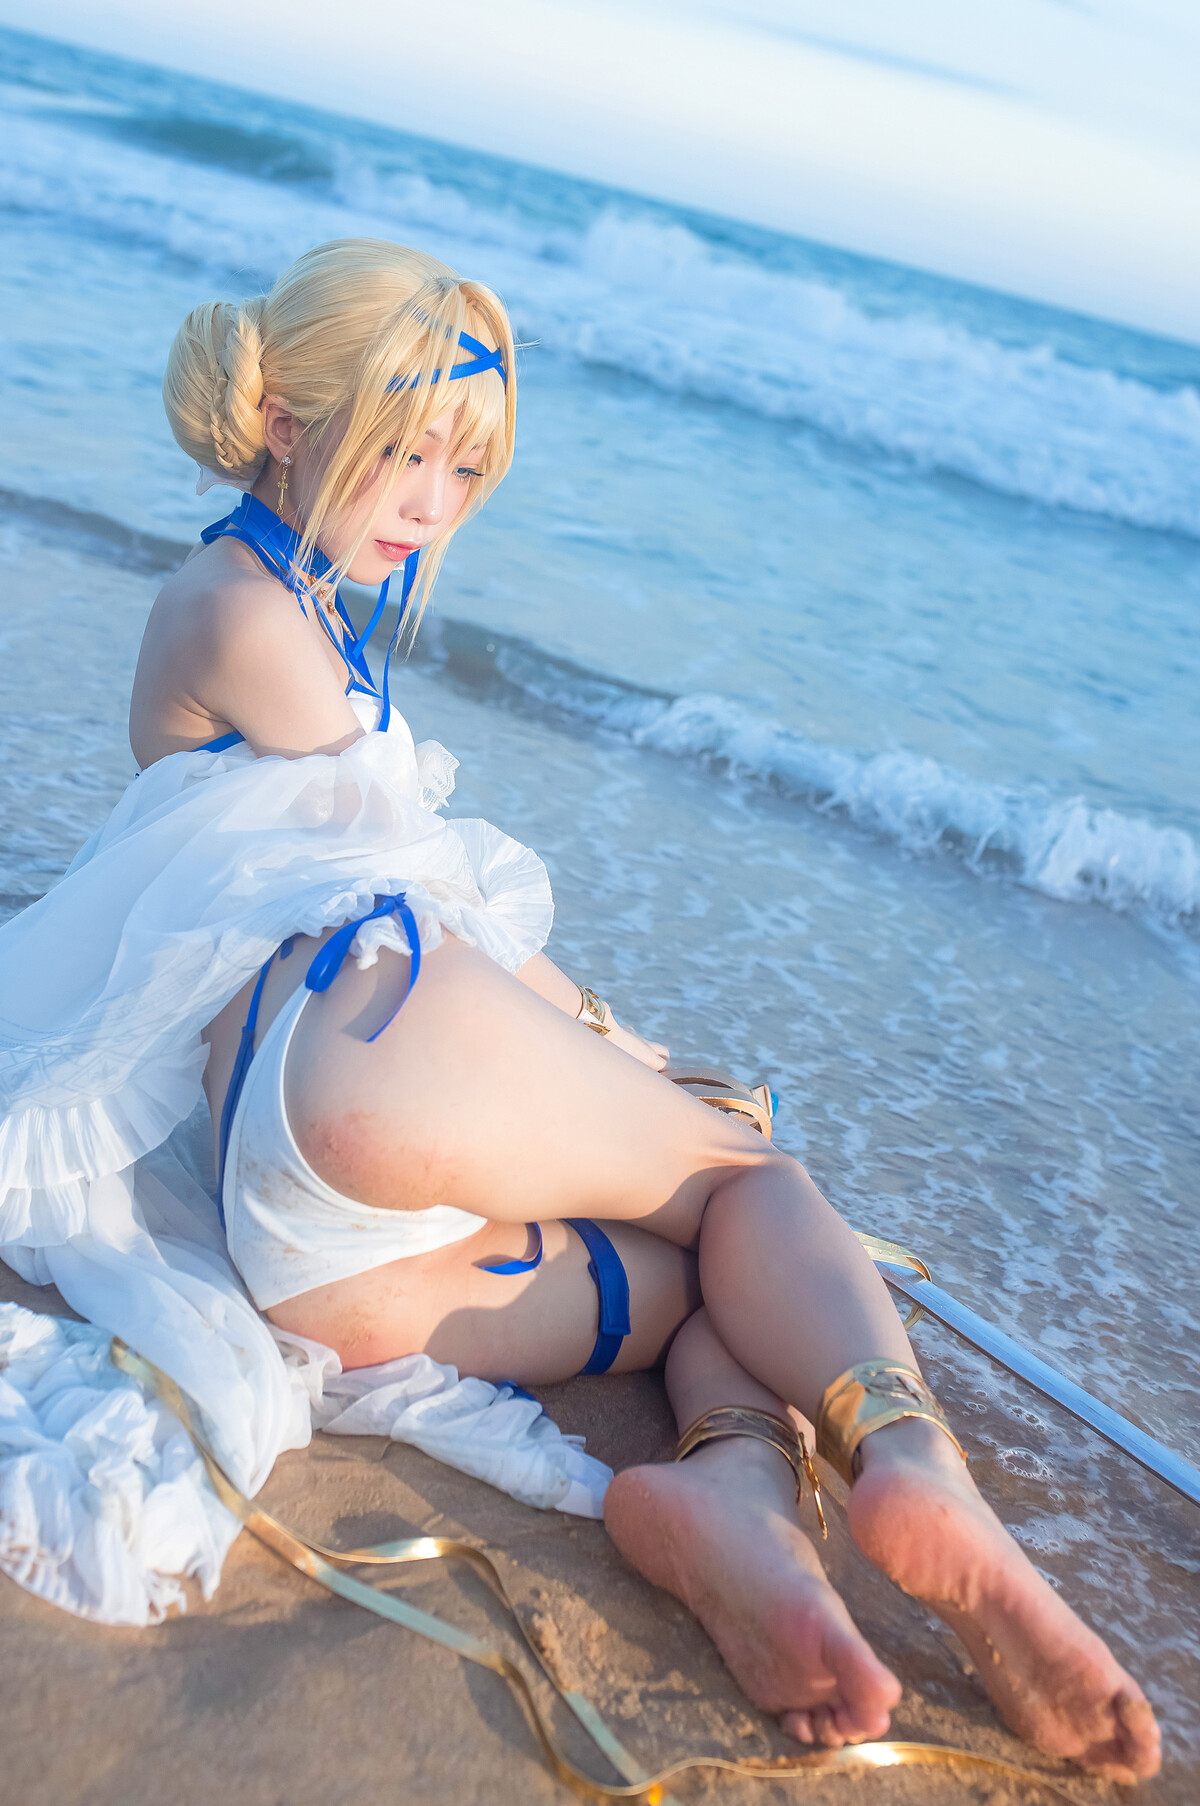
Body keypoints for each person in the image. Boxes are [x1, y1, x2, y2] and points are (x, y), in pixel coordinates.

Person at [24, 238, 1165, 1779]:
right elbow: (421, 890)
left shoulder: (249, 600)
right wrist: (627, 1050)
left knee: (701, 1288)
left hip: (308, 1261)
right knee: (752, 1182)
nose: (432, 501)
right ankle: (912, 1456)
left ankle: (736, 1505)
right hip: (350, 1045)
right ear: (284, 420)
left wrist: (616, 1055)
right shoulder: (247, 618)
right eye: (405, 448)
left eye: (462, 467)